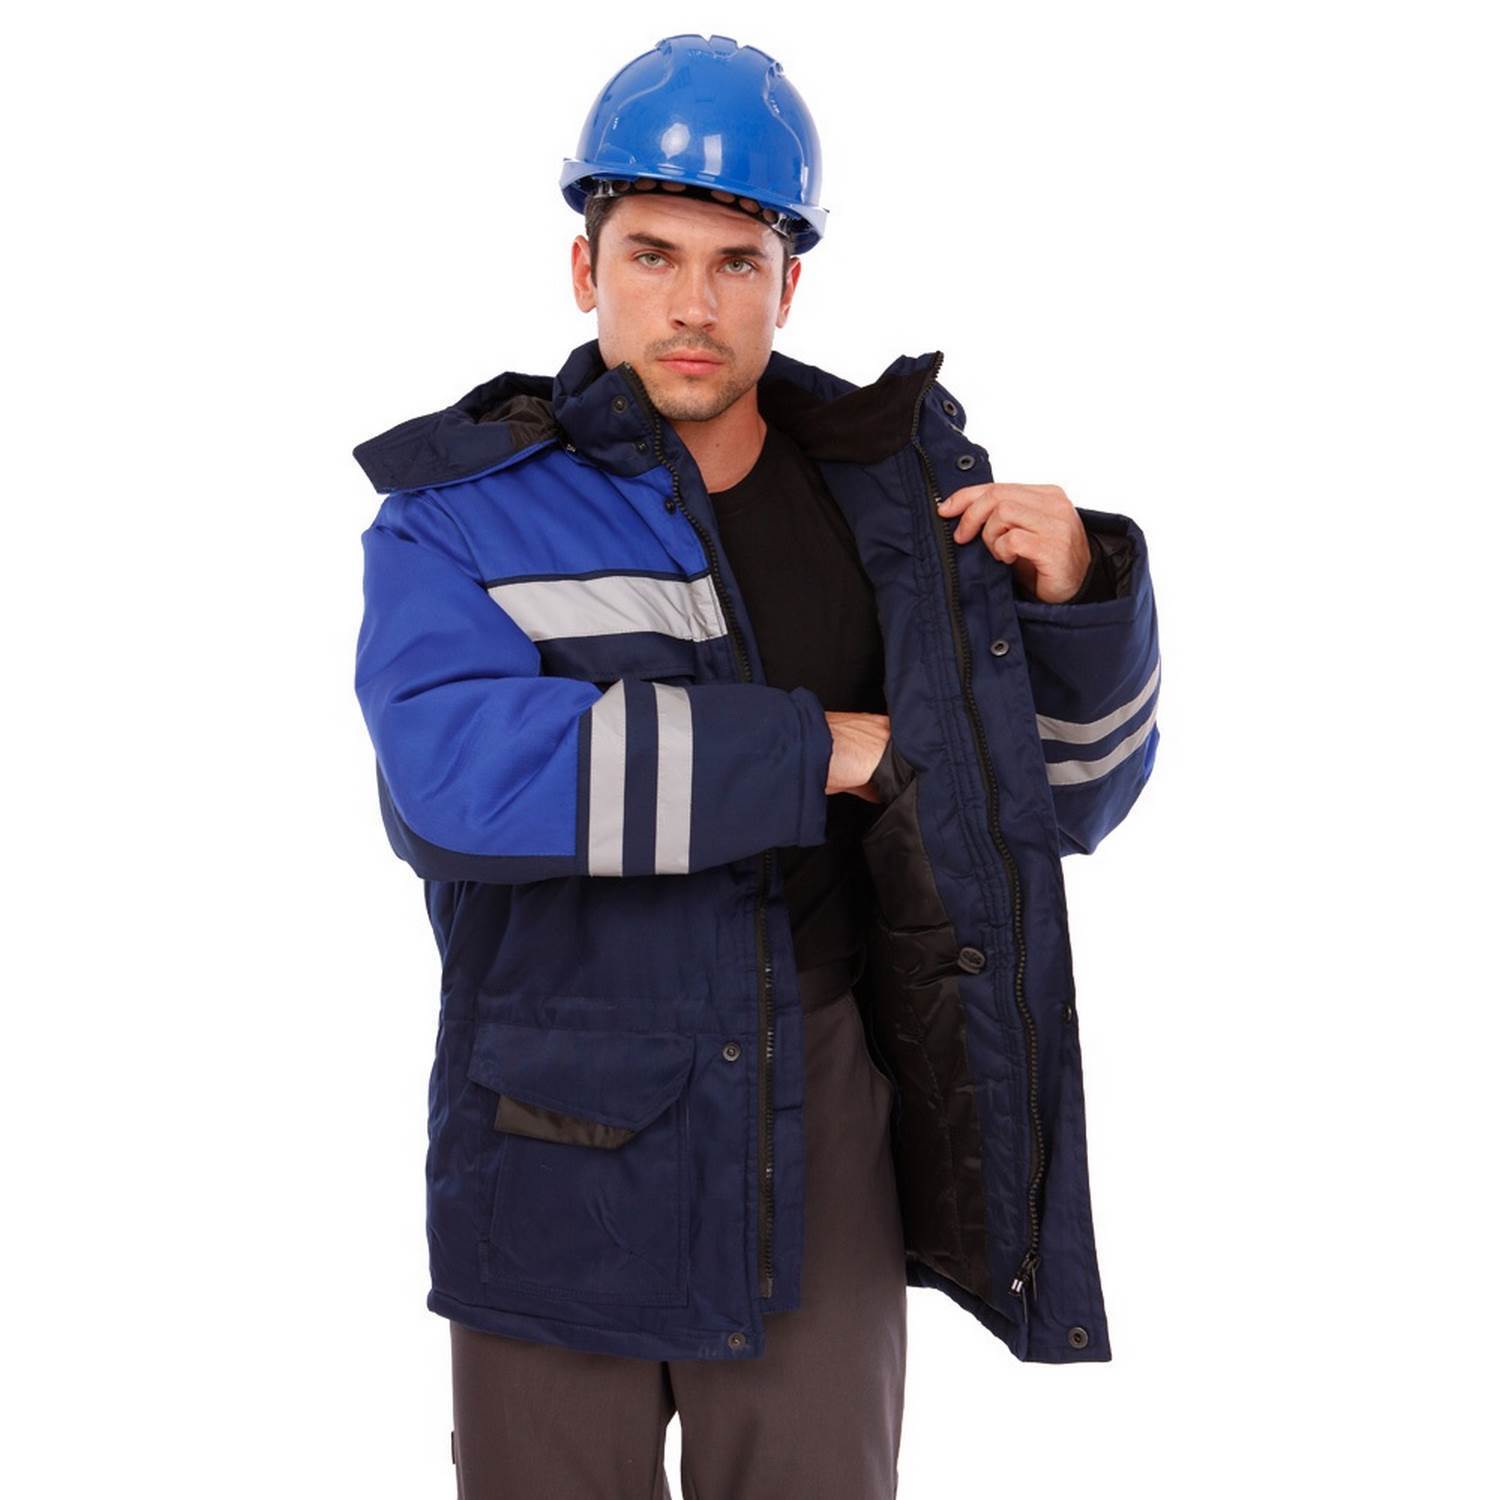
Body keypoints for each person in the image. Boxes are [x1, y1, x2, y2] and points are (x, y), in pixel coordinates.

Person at [351, 32, 1161, 1499]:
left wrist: (1078, 611)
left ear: (790, 287)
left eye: (737, 264)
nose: (694, 304)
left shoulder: (901, 501)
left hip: (822, 1100)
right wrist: (810, 749)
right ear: (585, 269)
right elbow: (449, 784)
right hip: (556, 1124)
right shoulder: (458, 516)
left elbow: (1061, 803)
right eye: (653, 256)